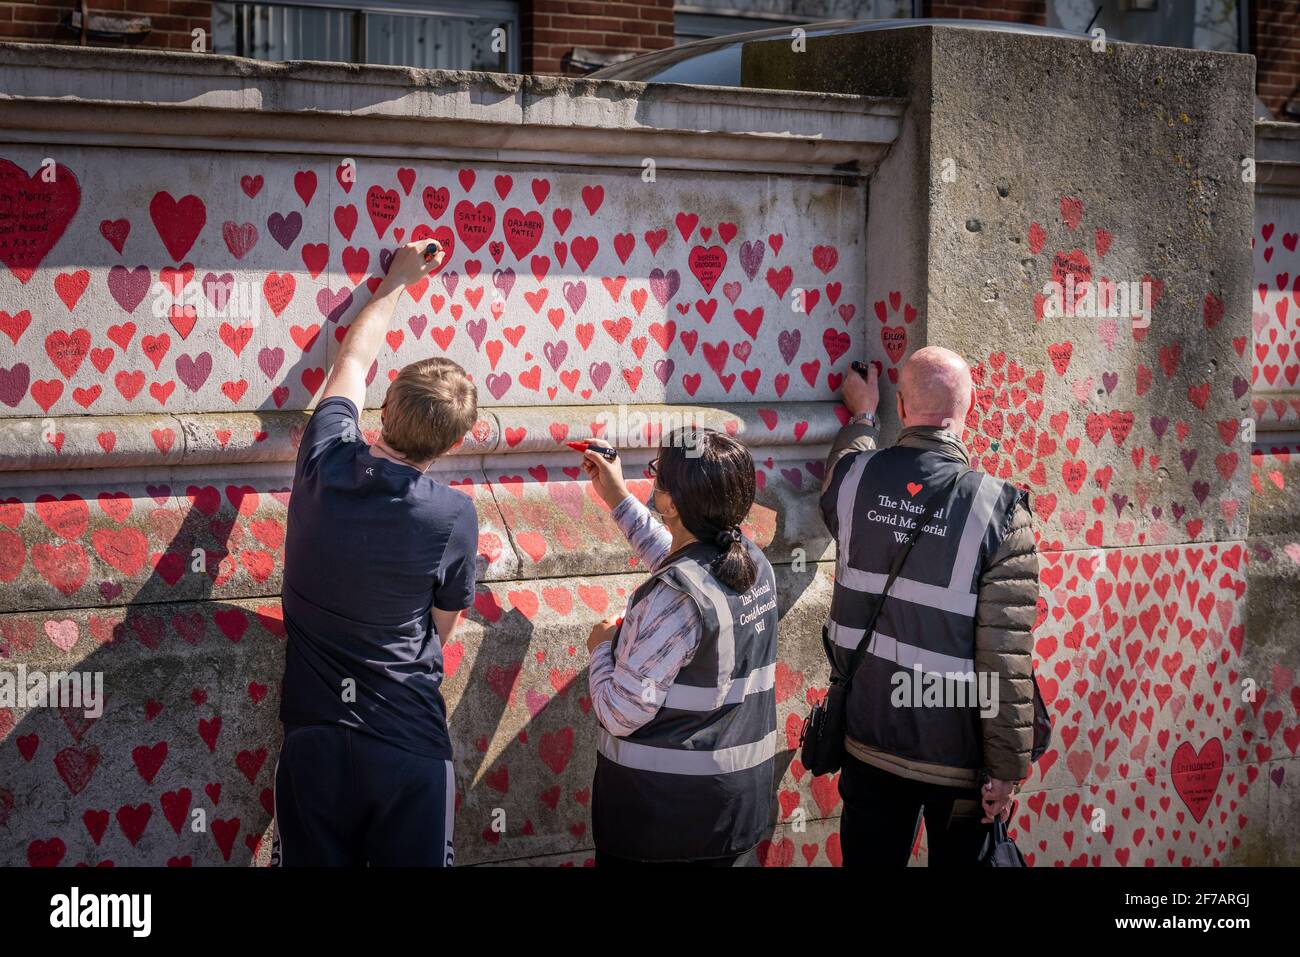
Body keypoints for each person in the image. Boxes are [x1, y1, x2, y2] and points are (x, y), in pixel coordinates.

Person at [272, 240, 480, 866]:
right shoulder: (453, 515)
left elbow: (353, 361)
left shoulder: (325, 456)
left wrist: (396, 281)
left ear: (385, 408)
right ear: (449, 447)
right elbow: (442, 628)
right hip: (407, 741)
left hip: (314, 737)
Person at [820, 348, 1039, 866]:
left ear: (901, 401)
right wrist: (1007, 765)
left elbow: (838, 478)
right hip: (958, 763)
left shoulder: (854, 482)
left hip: (869, 740)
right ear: (970, 409)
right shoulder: (1001, 510)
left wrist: (862, 417)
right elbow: (1004, 658)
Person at [578, 428, 779, 866]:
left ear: (669, 502)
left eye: (657, 475)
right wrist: (617, 496)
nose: (653, 482)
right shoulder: (753, 564)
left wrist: (601, 647)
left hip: (664, 823)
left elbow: (618, 711)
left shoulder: (676, 598)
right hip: (733, 813)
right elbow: (682, 558)